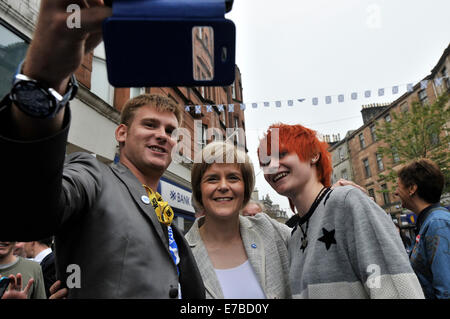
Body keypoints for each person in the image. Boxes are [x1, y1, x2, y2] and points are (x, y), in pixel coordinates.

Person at [0, 1, 204, 298]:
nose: (162, 136)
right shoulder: (93, 174)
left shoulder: (165, 211)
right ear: (121, 133)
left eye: (170, 131)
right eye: (150, 125)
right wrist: (45, 81)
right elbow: (32, 210)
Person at [258, 123, 424, 299]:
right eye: (265, 162)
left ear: (313, 155)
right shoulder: (295, 237)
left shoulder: (347, 202)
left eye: (281, 154)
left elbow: (399, 290)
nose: (272, 166)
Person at [185, 141, 292, 298]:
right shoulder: (181, 253)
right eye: (212, 179)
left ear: (245, 188)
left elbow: (314, 243)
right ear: (199, 189)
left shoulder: (269, 230)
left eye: (233, 178)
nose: (223, 186)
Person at [394, 158, 450, 299]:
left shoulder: (437, 223)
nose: (395, 192)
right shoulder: (429, 222)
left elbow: (446, 289)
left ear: (412, 188)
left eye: (398, 186)